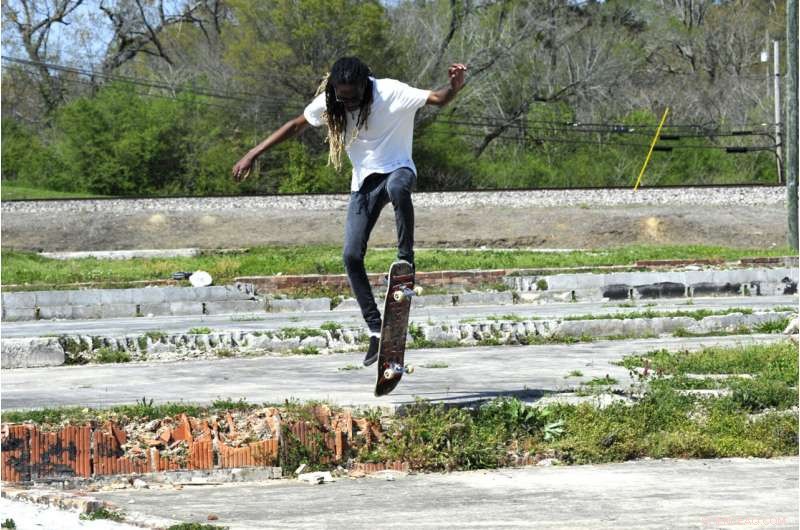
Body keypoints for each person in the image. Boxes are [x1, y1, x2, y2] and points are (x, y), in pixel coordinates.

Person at [232, 56, 467, 366]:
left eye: (354, 96)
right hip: (363, 185)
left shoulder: (390, 92)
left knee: (398, 189)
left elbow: (437, 99)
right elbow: (295, 126)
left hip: (398, 170)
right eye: (343, 97)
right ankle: (374, 329)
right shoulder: (331, 101)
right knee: (350, 255)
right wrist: (253, 153)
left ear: (366, 86)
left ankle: (405, 262)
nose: (350, 103)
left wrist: (454, 87)